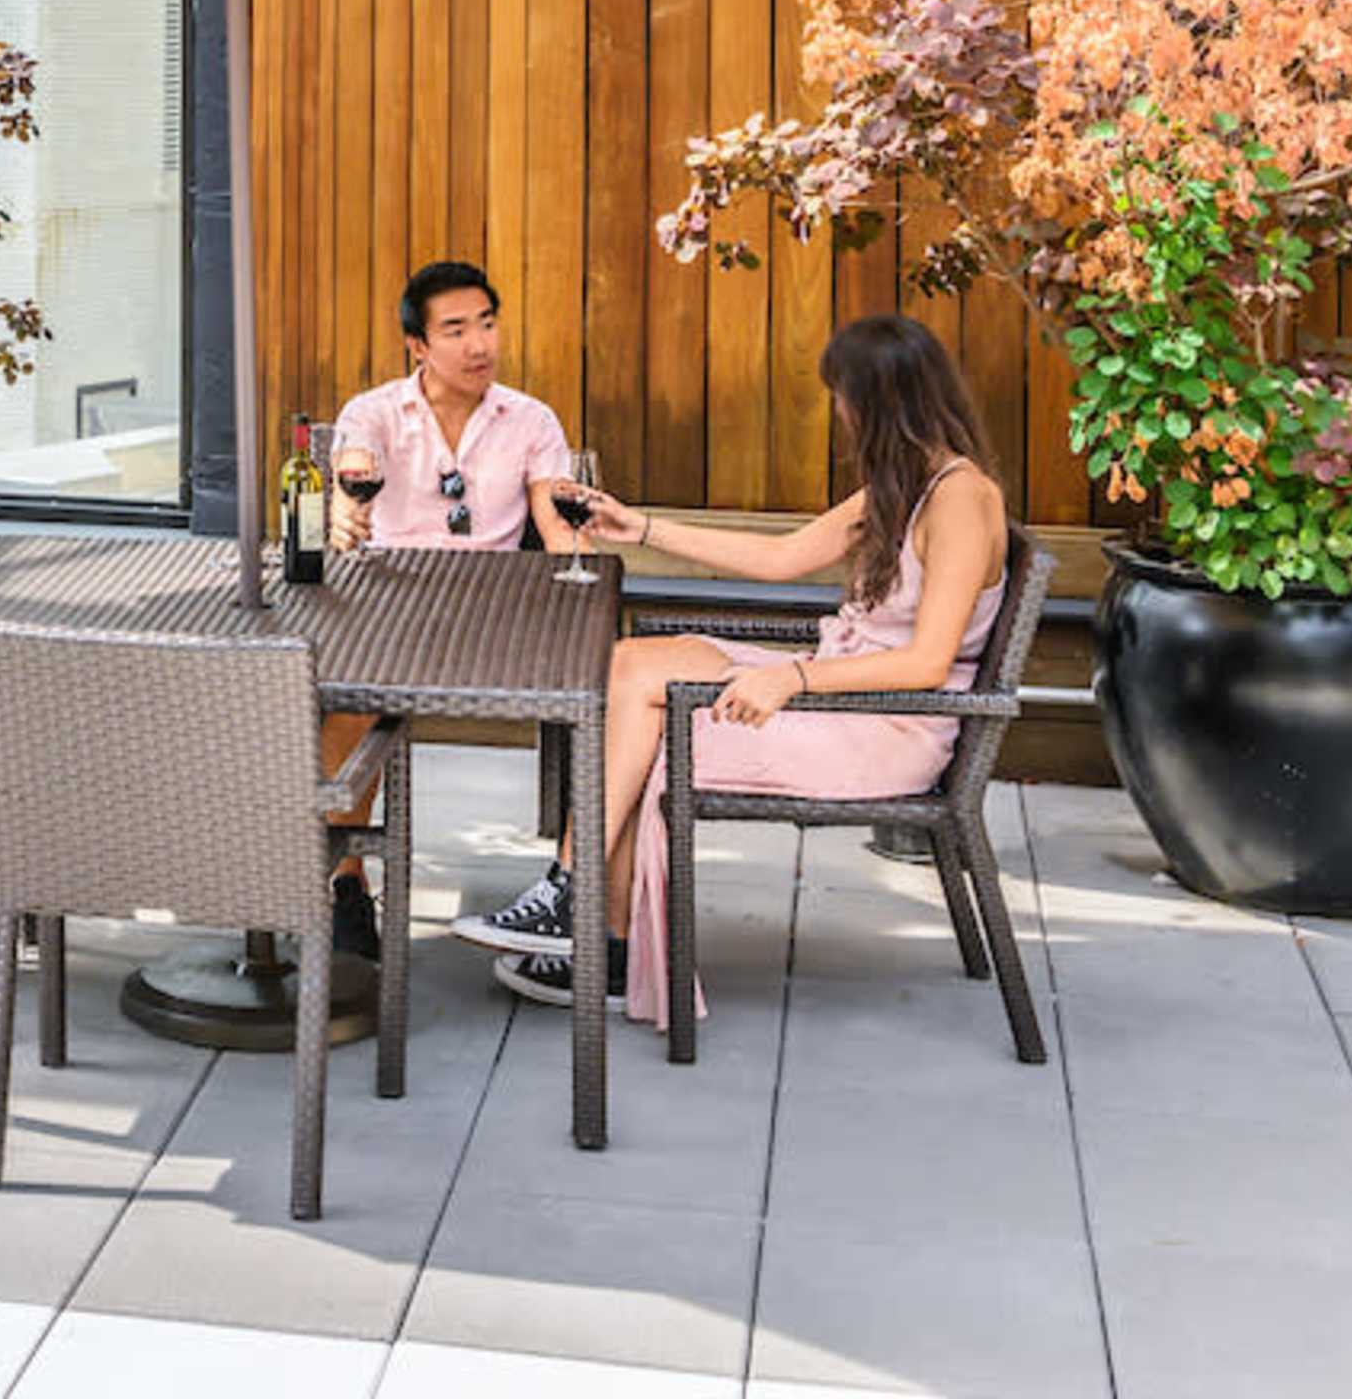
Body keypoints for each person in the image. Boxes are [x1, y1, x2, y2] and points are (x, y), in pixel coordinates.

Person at [453, 313, 1008, 1025]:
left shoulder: (961, 498)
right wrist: (642, 528)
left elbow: (929, 663)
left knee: (645, 724)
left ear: (876, 401)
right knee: (628, 666)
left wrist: (792, 679)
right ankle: (577, 904)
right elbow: (781, 558)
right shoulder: (907, 481)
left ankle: (590, 919)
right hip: (845, 694)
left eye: (842, 396)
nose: (838, 412)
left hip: (880, 730)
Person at [312, 260, 581, 961]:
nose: (478, 345)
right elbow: (353, 472)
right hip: (388, 604)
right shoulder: (373, 412)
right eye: (455, 330)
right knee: (343, 699)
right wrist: (347, 509)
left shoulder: (530, 420)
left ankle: (576, 889)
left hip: (490, 615)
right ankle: (344, 884)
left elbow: (558, 530)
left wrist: (573, 562)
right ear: (419, 346)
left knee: (600, 695)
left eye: (487, 324)